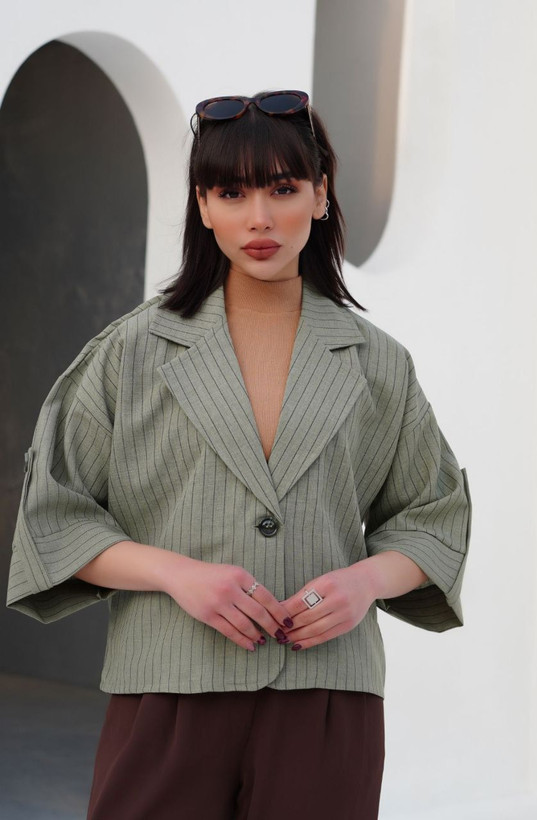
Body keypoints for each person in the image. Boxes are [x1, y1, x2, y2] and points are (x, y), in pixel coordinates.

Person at [6, 90, 471, 820]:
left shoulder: (378, 362)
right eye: (232, 193)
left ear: (321, 196)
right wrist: (176, 575)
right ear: (203, 205)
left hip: (327, 697)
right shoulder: (130, 353)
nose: (259, 218)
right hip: (167, 685)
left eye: (283, 189)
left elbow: (432, 517)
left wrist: (364, 583)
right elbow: (53, 518)